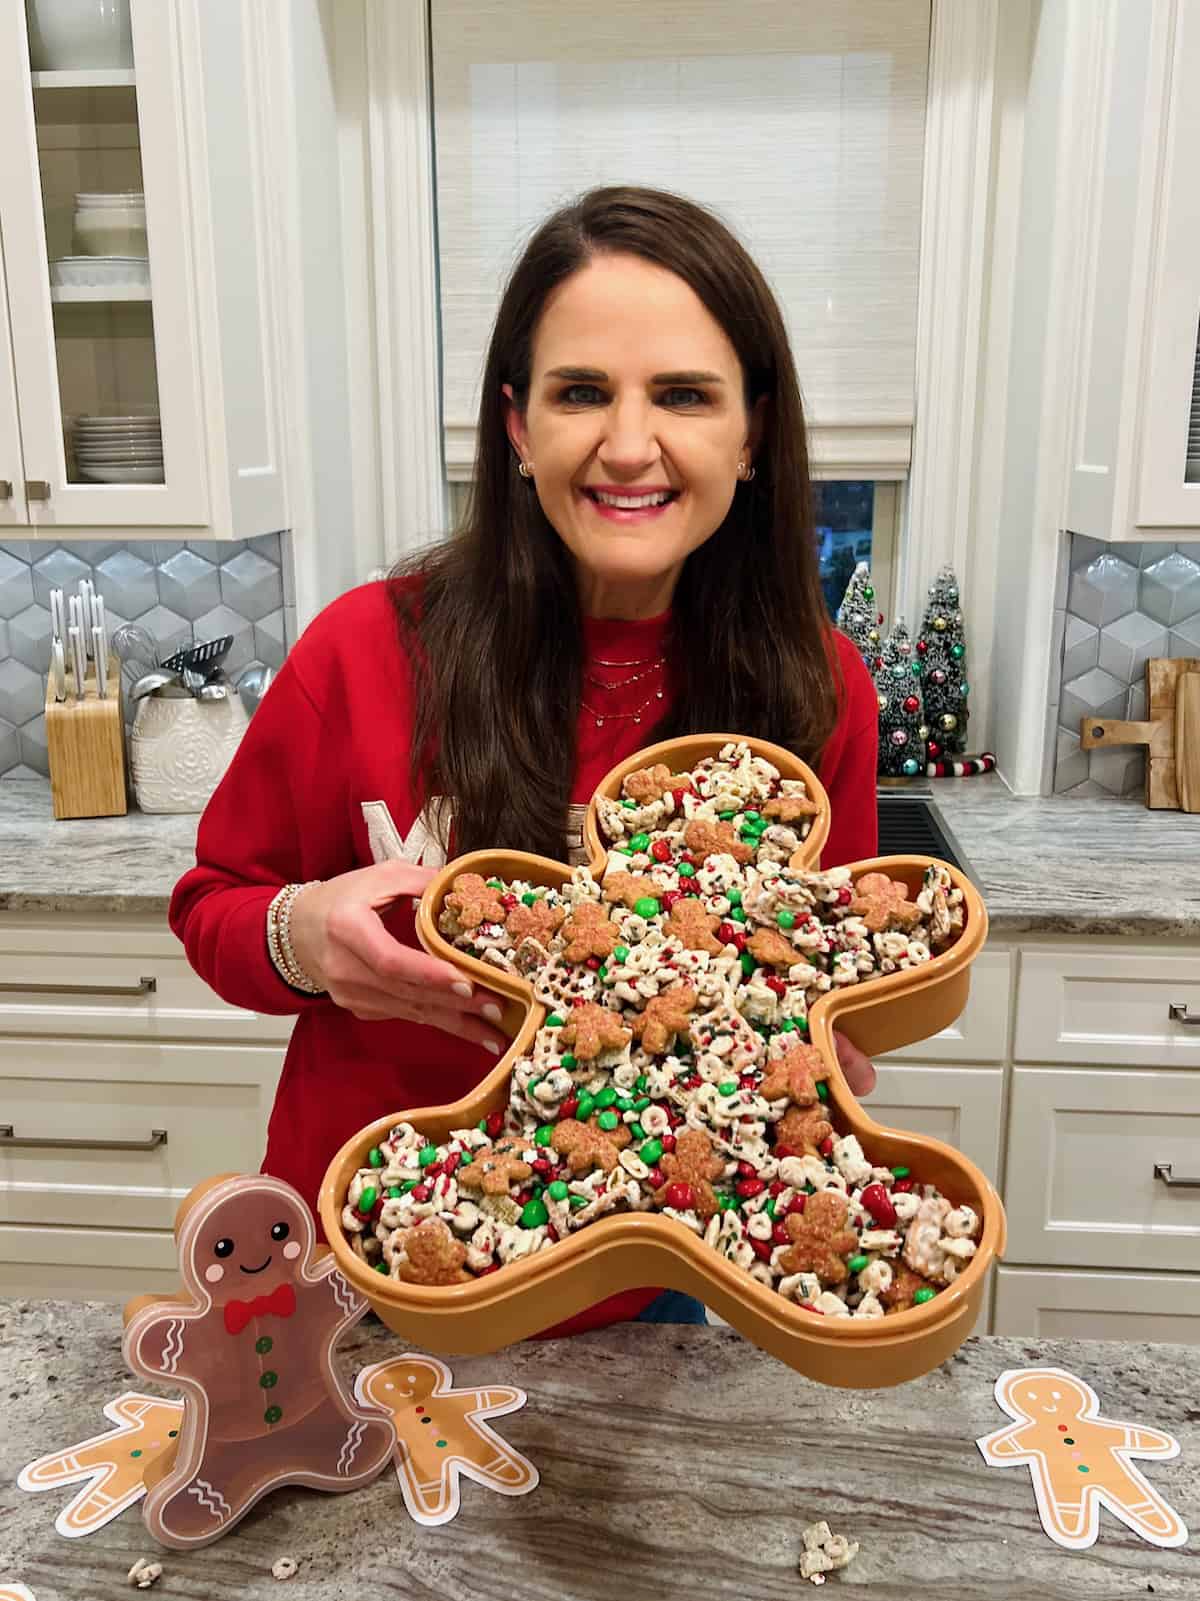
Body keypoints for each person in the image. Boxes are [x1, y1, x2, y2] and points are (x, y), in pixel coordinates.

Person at [170, 184, 881, 1333]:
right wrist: (304, 934)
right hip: (359, 1271)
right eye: (582, 392)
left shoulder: (816, 692)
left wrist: (820, 1054)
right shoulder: (363, 649)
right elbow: (211, 908)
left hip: (646, 1292)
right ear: (517, 424)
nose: (630, 444)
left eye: (686, 395)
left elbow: (830, 990)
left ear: (752, 431)